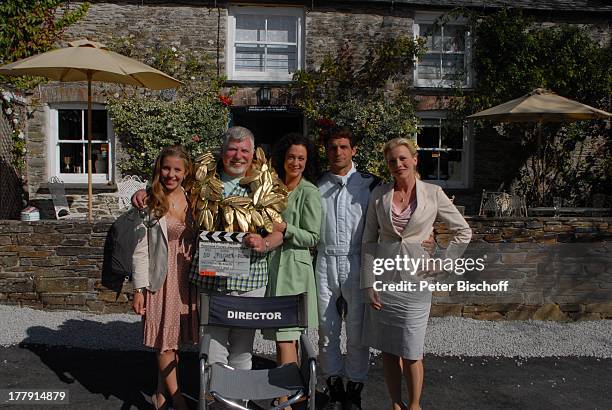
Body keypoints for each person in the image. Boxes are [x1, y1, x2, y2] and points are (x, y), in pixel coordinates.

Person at [133, 126, 283, 371]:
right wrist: (144, 192)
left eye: (244, 150)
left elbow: (279, 231)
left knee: (243, 347)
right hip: (211, 277)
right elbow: (171, 187)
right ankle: (215, 398)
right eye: (232, 149)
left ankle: (237, 402)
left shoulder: (266, 182)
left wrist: (264, 243)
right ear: (222, 151)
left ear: (253, 153)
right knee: (213, 345)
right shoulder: (202, 179)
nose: (238, 156)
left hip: (251, 278)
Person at [316, 128, 435, 410]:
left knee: (358, 331)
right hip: (325, 261)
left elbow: (409, 209)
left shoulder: (372, 184)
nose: (338, 152)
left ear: (354, 150)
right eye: (333, 147)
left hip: (360, 260)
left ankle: (354, 389)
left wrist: (429, 240)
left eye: (344, 147)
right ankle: (334, 386)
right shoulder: (316, 183)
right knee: (326, 329)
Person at [360, 137, 472, 410]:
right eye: (392, 161)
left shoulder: (433, 193)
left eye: (402, 158)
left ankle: (415, 405)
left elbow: (463, 231)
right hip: (384, 280)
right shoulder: (380, 195)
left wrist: (442, 263)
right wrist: (368, 282)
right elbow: (369, 240)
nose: (398, 164)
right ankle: (395, 403)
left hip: (417, 282)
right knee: (387, 349)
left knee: (411, 350)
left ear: (414, 159)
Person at [132, 145, 198, 410]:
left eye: (177, 169)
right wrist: (138, 289)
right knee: (164, 340)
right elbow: (140, 249)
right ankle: (179, 399)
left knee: (174, 339)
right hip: (160, 277)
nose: (171, 174)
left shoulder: (195, 198)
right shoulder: (149, 200)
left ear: (186, 172)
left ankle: (161, 393)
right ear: (159, 169)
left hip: (187, 276)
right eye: (166, 168)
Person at [265, 133, 322, 406]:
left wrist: (287, 229)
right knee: (283, 336)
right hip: (273, 266)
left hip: (295, 269)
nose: (295, 162)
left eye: (301, 158)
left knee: (286, 336)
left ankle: (284, 397)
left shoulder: (309, 192)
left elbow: (313, 236)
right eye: (291, 157)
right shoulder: (273, 187)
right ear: (282, 158)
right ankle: (297, 394)